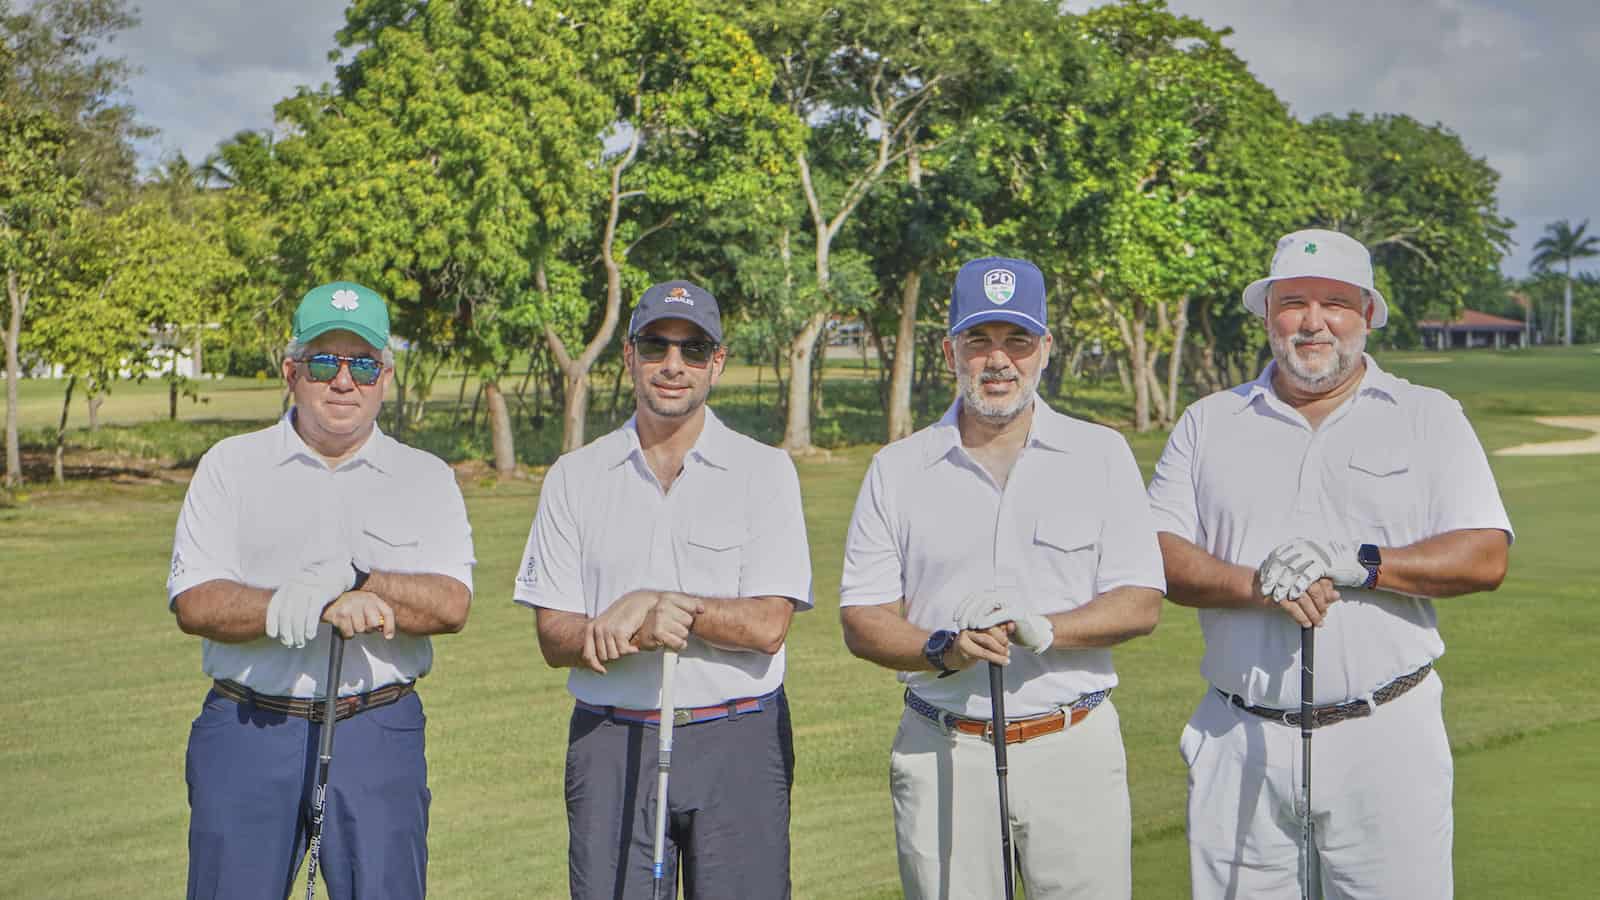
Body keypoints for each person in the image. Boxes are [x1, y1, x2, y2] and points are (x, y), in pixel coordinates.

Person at [1146, 228, 1512, 899]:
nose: (1312, 322)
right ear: (1267, 315)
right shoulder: (1207, 422)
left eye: (1336, 302)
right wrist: (1256, 584)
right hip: (1240, 733)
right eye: (1293, 302)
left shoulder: (1428, 416)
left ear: (1368, 314)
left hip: (1384, 737)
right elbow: (1157, 557)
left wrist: (1360, 563)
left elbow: (1486, 553)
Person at [838, 257, 1166, 899]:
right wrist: (944, 648)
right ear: (949, 349)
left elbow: (1140, 601)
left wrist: (1048, 629)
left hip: (1072, 742)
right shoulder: (898, 468)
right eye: (978, 341)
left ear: (1044, 348)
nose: (998, 361)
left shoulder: (1101, 455)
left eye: (1017, 341)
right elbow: (863, 618)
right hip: (943, 748)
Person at [168, 281, 475, 900]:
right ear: (291, 371)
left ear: (385, 375)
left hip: (376, 730)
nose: (344, 380)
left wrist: (363, 580)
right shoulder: (231, 465)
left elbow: (451, 603)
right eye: (323, 362)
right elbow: (194, 600)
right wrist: (297, 604)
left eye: (362, 363)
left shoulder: (425, 477)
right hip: (249, 728)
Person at [515, 280, 813, 899]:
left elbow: (767, 626)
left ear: (717, 363)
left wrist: (661, 606)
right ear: (628, 356)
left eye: (693, 350)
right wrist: (634, 632)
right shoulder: (575, 477)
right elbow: (554, 635)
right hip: (612, 742)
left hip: (738, 739)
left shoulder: (764, 471)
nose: (673, 365)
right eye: (656, 346)